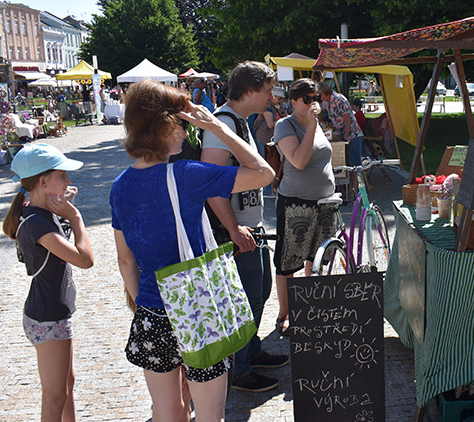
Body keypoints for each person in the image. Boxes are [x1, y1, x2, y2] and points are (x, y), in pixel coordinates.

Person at [110, 79, 274, 421]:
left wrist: (151, 304)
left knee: (167, 412)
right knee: (210, 415)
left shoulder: (120, 186)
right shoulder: (186, 174)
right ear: (165, 126)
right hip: (199, 313)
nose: (188, 133)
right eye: (183, 125)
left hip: (153, 313)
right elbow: (263, 173)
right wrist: (215, 125)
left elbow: (126, 262)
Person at [201, 61, 289, 393]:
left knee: (260, 291)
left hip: (250, 226)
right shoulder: (221, 124)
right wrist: (234, 229)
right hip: (236, 231)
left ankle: (251, 353)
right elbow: (210, 184)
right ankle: (239, 370)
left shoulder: (238, 122)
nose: (271, 96)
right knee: (245, 299)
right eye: (267, 89)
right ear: (249, 90)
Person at [2, 143, 94, 422]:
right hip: (48, 316)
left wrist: (64, 212)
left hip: (52, 312)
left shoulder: (38, 213)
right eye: (62, 175)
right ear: (43, 182)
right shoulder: (38, 224)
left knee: (67, 385)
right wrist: (75, 218)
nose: (68, 181)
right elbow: (85, 259)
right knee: (55, 397)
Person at [272, 78, 337, 336]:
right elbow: (298, 161)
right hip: (296, 202)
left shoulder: (316, 124)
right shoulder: (284, 125)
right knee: (289, 260)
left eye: (316, 98)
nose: (314, 103)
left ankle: (310, 305)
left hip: (324, 202)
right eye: (308, 99)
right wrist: (311, 125)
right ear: (294, 101)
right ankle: (285, 314)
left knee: (316, 257)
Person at [317, 82, 365, 166]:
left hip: (353, 135)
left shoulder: (339, 100)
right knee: (346, 164)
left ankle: (356, 179)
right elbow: (319, 111)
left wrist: (346, 136)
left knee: (354, 165)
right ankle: (350, 178)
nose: (318, 97)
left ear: (324, 93)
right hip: (342, 134)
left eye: (319, 94)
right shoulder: (326, 102)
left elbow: (348, 119)